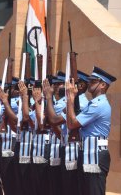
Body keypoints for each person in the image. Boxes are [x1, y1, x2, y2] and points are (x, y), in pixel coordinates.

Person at [44, 66, 116, 195]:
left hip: (96, 154)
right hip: (87, 153)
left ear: (103, 85)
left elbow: (71, 125)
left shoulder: (99, 104)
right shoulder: (92, 104)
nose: (89, 83)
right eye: (90, 80)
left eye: (94, 81)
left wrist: (71, 100)